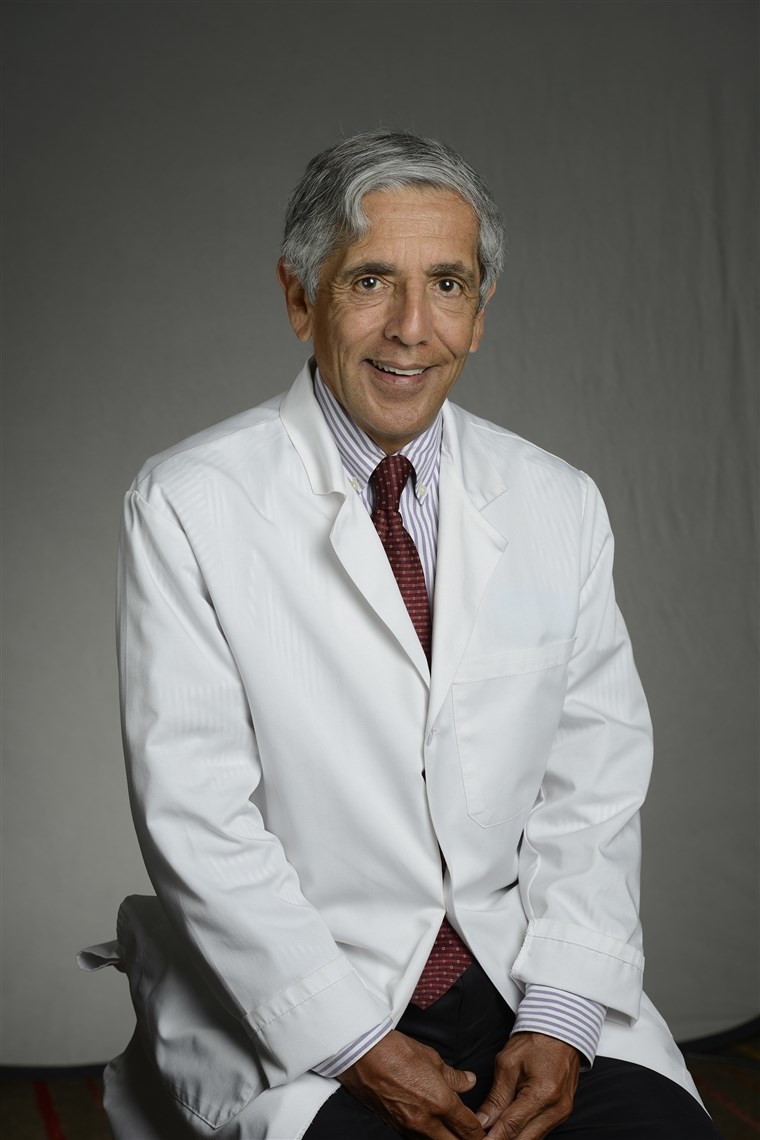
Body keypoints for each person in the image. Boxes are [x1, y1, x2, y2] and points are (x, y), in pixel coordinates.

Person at [87, 130, 721, 1139]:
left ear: (481, 314)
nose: (412, 328)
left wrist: (561, 1015)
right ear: (300, 299)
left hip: (517, 977)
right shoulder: (188, 503)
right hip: (308, 998)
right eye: (371, 281)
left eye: (448, 285)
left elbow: (592, 785)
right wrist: (354, 1043)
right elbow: (197, 815)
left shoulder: (558, 502)